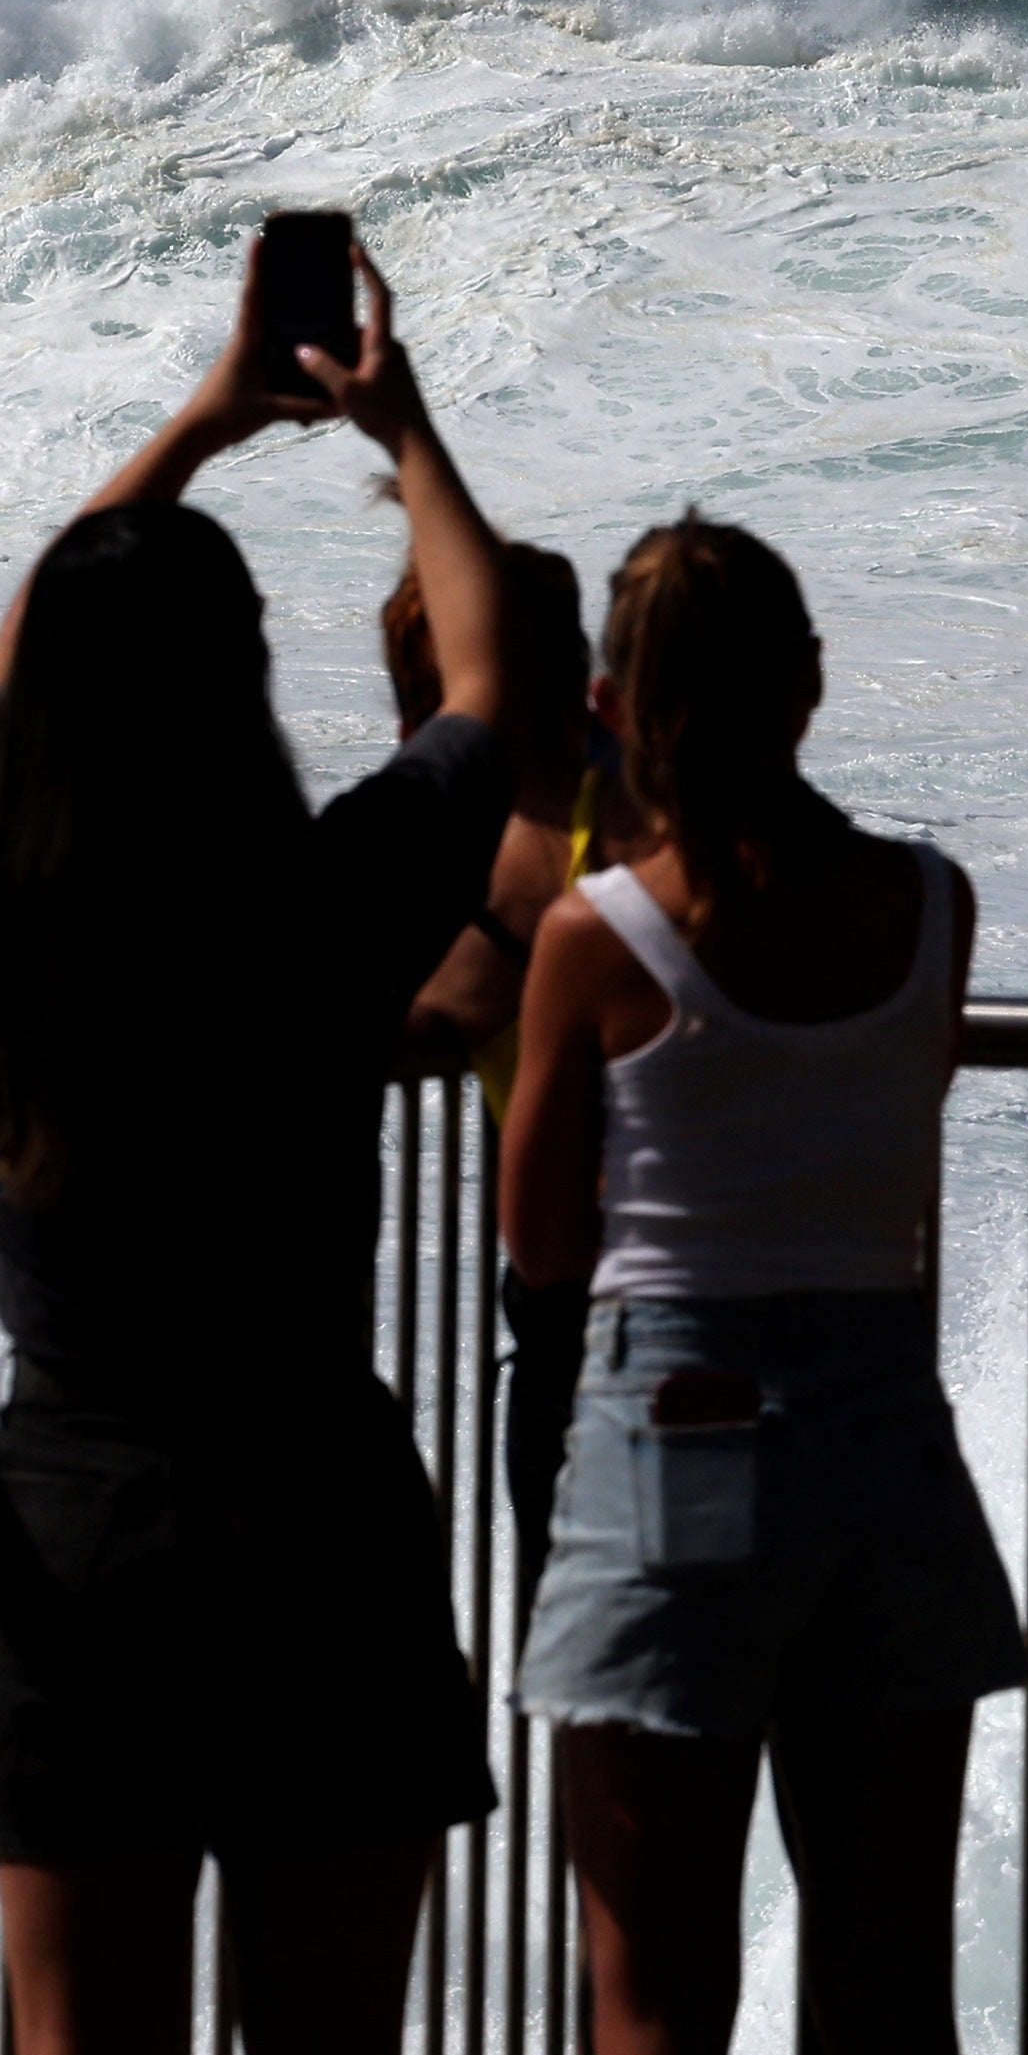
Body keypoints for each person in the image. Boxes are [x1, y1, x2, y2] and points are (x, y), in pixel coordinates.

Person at [0, 231, 512, 2055]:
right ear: (251, 687)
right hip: (313, 1489)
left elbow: (8, 662)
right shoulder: (325, 880)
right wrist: (396, 427)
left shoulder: (0, 857)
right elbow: (495, 676)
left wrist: (196, 411)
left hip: (80, 1497)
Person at [477, 518, 1025, 2055]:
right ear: (810, 683)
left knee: (653, 2006)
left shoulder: (602, 932)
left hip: (678, 1438)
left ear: (615, 710)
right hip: (887, 1435)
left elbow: (540, 1240)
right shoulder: (927, 907)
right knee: (888, 2002)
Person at [390, 535, 614, 1605]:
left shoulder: (524, 860)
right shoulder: (661, 806)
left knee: (606, 1734)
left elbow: (381, 1006)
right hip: (785, 1316)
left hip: (596, 1350)